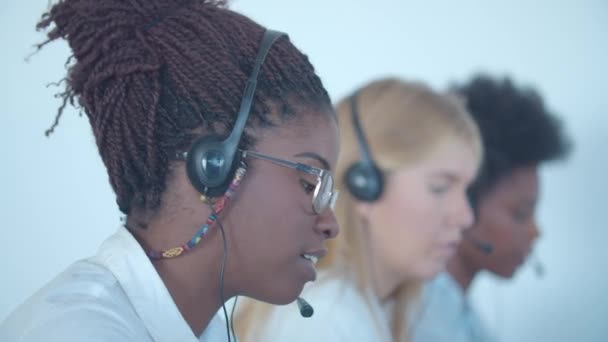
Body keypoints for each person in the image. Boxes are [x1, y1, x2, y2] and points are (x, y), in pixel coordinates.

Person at [0, 1, 340, 341]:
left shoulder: (207, 330)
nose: (331, 224)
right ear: (213, 167)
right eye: (310, 183)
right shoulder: (79, 333)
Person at [235, 78, 483, 342]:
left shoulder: (386, 309)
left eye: (466, 191)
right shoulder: (328, 321)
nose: (466, 217)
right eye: (440, 187)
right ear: (364, 185)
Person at [412, 74, 571, 342]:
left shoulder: (456, 311)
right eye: (520, 212)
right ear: (462, 200)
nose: (535, 231)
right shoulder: (422, 322)